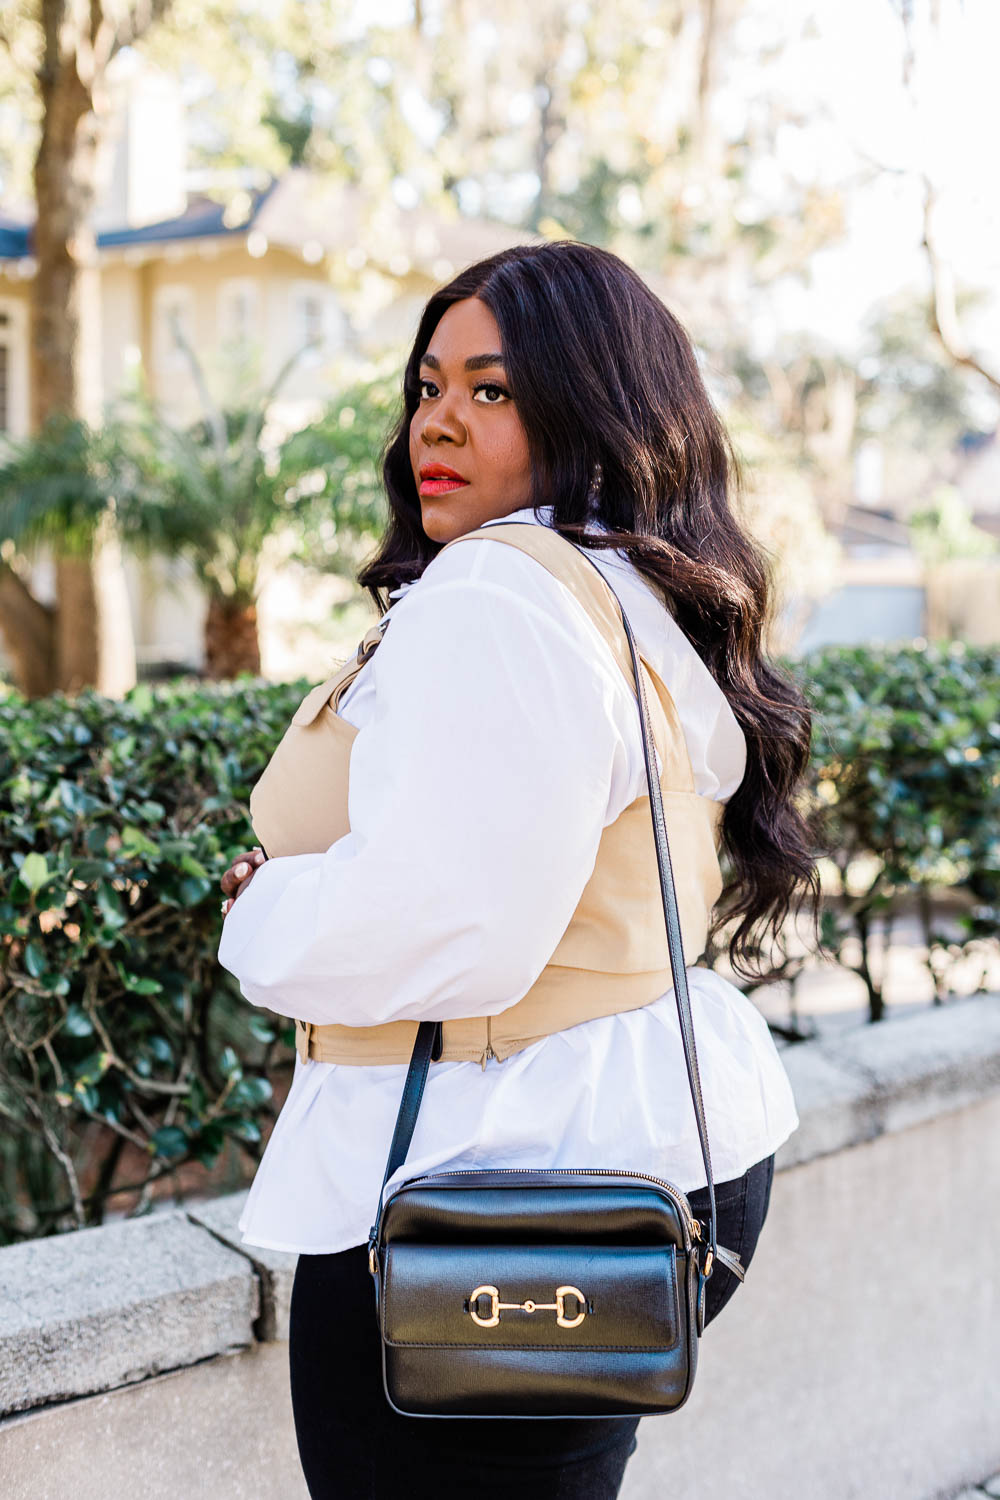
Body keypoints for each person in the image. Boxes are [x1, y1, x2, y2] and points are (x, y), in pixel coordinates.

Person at [217, 241, 820, 1500]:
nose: (438, 420)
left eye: (490, 390)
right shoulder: (624, 583)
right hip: (637, 1137)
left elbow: (451, 925)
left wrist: (265, 907)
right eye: (428, 385)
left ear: (590, 408)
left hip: (498, 1179)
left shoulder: (499, 594)